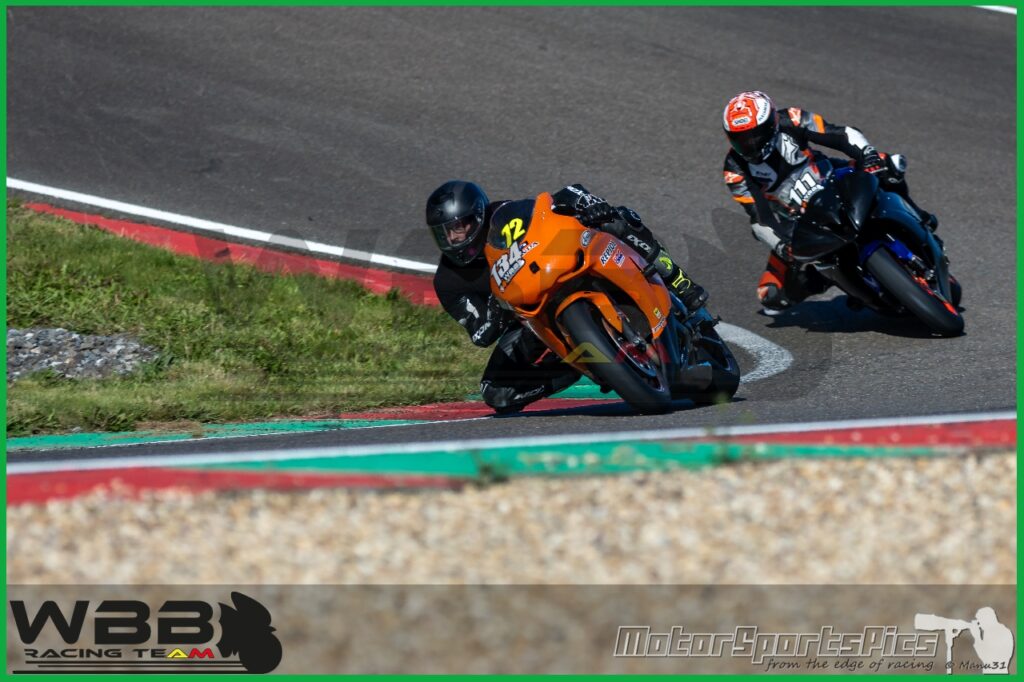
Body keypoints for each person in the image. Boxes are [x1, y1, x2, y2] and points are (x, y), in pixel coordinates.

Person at [426, 180, 707, 413]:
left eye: (460, 227)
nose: (454, 238)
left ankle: (679, 282)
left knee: (618, 217)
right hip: (529, 320)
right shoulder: (448, 281)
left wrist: (584, 202)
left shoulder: (504, 214)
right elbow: (480, 334)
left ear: (478, 215)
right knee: (496, 393)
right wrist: (498, 308)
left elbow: (550, 208)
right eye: (445, 233)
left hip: (559, 267)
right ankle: (582, 366)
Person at [720, 90, 937, 313]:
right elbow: (759, 218)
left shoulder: (791, 119)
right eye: (741, 139)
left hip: (833, 179)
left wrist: (867, 154)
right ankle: (838, 279)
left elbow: (841, 134)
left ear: (771, 124)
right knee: (769, 294)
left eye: (755, 136)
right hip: (798, 220)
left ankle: (919, 217)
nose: (750, 145)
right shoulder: (734, 170)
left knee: (887, 163)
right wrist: (782, 245)